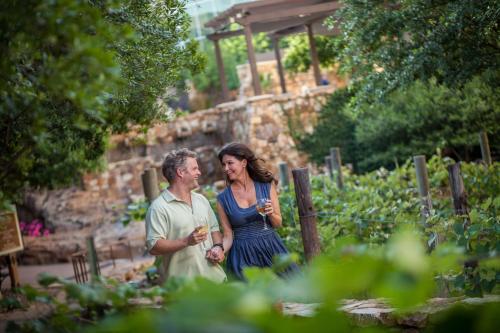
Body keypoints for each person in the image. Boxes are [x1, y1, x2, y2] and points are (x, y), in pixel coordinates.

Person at [211, 142, 298, 280]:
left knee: (293, 295)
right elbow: (228, 235)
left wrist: (271, 213)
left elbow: (277, 223)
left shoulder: (266, 186)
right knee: (253, 300)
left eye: (230, 163)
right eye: (223, 165)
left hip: (271, 249)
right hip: (242, 256)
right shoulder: (222, 199)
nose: (226, 168)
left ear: (244, 162)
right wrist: (220, 250)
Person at [145, 148, 226, 283]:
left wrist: (218, 247)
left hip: (216, 280)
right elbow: (153, 246)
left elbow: (214, 230)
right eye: (195, 169)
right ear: (181, 172)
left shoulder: (201, 200)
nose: (199, 173)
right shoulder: (158, 208)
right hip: (185, 288)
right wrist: (186, 241)